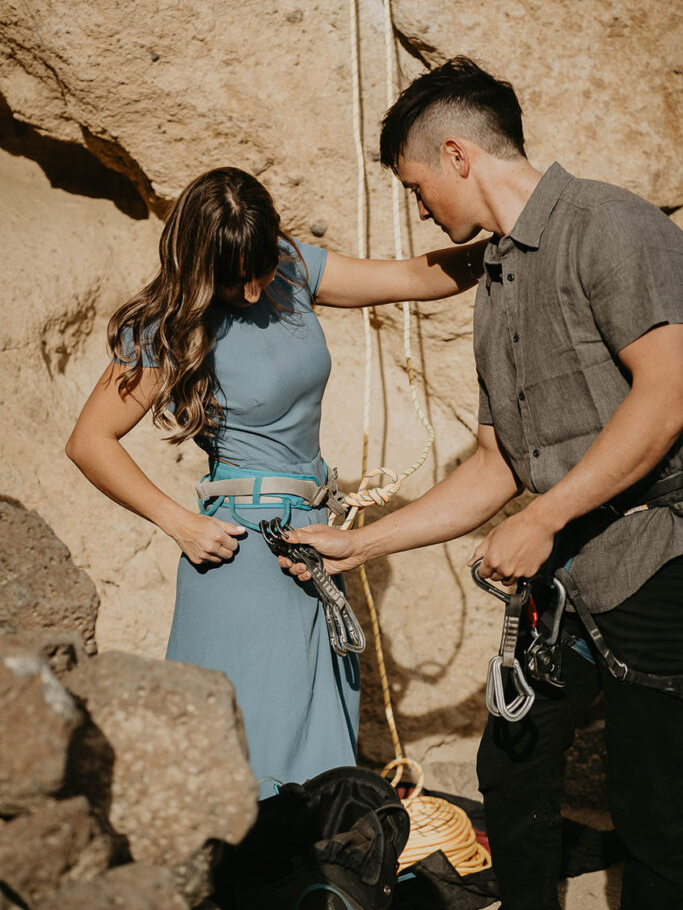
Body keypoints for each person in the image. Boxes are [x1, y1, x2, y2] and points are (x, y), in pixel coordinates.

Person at [282, 58, 683, 908]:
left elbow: (669, 391)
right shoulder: (495, 282)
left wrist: (545, 519)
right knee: (514, 766)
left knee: (658, 815)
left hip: (660, 560)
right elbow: (497, 462)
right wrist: (359, 544)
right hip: (568, 578)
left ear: (458, 154)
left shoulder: (611, 223)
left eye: (418, 188)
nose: (421, 210)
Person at [65, 165, 486, 798]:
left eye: (261, 271)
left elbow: (408, 277)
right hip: (242, 556)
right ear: (202, 266)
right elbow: (88, 441)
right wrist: (180, 523)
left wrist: (513, 239)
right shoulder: (168, 327)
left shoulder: (287, 264)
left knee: (320, 749)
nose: (258, 291)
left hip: (317, 542)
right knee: (249, 758)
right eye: (239, 282)